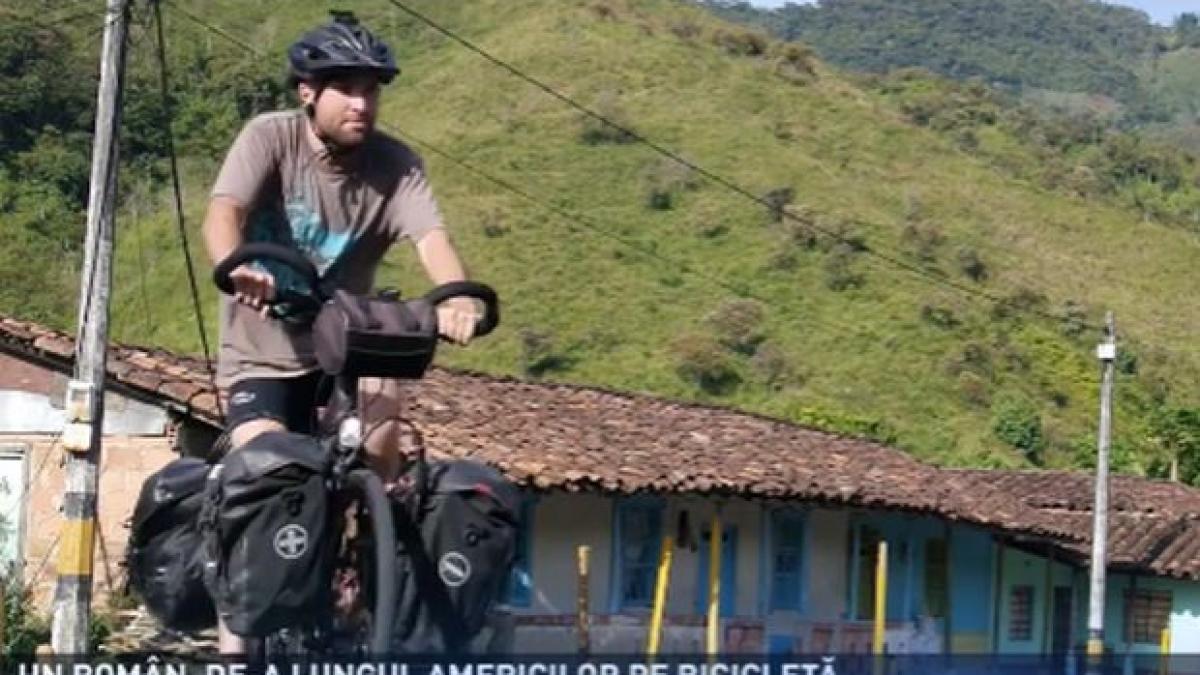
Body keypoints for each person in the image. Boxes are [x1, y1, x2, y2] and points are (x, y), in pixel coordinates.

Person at [201, 12, 480, 653]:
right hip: (262, 355)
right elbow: (225, 213)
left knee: (388, 401)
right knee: (262, 476)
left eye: (372, 88)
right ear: (308, 91)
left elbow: (433, 241)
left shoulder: (395, 166)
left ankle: (360, 544)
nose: (362, 102)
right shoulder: (270, 139)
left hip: (345, 349)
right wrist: (238, 261)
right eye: (346, 87)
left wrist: (458, 299)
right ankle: (235, 648)